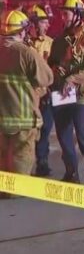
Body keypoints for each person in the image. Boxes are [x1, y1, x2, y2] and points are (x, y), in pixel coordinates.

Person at [48, 0, 84, 187]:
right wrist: (55, 71)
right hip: (61, 92)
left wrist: (71, 78)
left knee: (81, 133)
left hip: (80, 92)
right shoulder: (59, 41)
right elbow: (52, 63)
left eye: (67, 14)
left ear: (78, 14)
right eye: (62, 14)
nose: (63, 18)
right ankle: (71, 173)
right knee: (63, 134)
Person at [0, 10, 54, 197]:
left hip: (2, 119)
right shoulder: (25, 52)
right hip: (23, 118)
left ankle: (4, 188)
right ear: (22, 31)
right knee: (21, 157)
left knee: (3, 156)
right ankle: (14, 191)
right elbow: (47, 78)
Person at [26, 5, 56, 177]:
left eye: (46, 22)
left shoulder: (50, 43)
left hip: (45, 95)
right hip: (28, 97)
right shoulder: (24, 45)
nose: (47, 26)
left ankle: (42, 161)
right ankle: (26, 165)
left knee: (44, 130)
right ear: (33, 24)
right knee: (30, 131)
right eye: (43, 22)